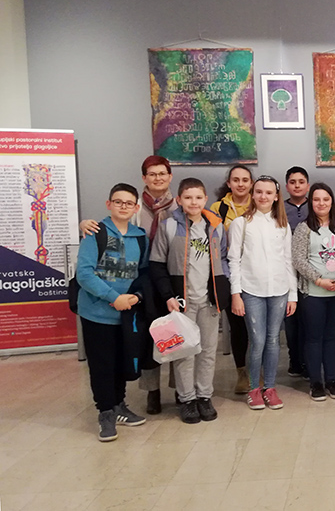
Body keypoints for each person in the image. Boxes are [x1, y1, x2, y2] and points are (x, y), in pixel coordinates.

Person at [79, 156, 178, 415]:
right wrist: (84, 224)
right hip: (121, 295)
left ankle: (180, 390)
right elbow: (86, 269)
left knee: (169, 339)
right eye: (152, 174)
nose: (158, 178)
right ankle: (148, 393)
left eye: (162, 173)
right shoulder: (130, 210)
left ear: (170, 176)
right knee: (136, 344)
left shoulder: (180, 205)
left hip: (166, 281)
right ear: (144, 178)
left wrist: (138, 294)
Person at [150, 178, 231, 424]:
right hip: (181, 300)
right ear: (179, 200)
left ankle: (204, 396)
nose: (193, 202)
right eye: (188, 198)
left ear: (205, 199)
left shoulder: (216, 226)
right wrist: (168, 296)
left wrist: (222, 288)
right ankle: (187, 399)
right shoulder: (168, 226)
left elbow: (224, 259)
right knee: (185, 353)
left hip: (209, 300)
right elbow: (157, 264)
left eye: (198, 197)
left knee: (207, 351)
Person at [76, 183, 148, 441]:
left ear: (136, 208)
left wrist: (136, 297)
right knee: (102, 364)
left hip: (126, 314)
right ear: (109, 204)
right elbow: (84, 274)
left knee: (121, 361)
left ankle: (119, 405)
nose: (123, 207)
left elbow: (143, 273)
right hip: (96, 313)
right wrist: (113, 297)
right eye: (118, 202)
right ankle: (105, 412)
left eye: (129, 203)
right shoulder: (95, 232)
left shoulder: (140, 237)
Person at [228, 175, 297, 410]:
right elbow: (234, 260)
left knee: (273, 340)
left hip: (279, 290)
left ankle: (270, 387)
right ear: (252, 194)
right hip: (251, 290)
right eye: (259, 192)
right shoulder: (241, 223)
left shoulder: (282, 225)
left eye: (268, 193)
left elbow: (288, 260)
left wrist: (293, 295)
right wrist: (236, 294)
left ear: (276, 196)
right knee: (257, 341)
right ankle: (253, 389)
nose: (263, 196)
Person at [292, 183, 335, 401]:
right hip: (313, 293)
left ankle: (331, 380)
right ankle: (316, 382)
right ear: (311, 202)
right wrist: (319, 280)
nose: (321, 203)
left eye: (325, 199)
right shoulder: (303, 228)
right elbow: (298, 259)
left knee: (331, 337)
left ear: (332, 201)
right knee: (314, 338)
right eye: (316, 199)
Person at [210, 165, 254, 396]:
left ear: (251, 183)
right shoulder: (218, 208)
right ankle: (242, 373)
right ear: (229, 183)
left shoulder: (260, 203)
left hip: (256, 273)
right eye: (236, 180)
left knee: (258, 326)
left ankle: (259, 371)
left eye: (245, 180)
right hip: (230, 272)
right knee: (238, 326)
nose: (241, 184)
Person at [284, 166, 310, 378]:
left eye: (301, 182)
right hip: (287, 271)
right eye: (293, 182)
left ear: (307, 185)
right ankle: (295, 360)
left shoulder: (317, 205)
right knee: (291, 320)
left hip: (312, 271)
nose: (297, 186)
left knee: (309, 319)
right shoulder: (279, 208)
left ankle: (310, 361)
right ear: (287, 186)